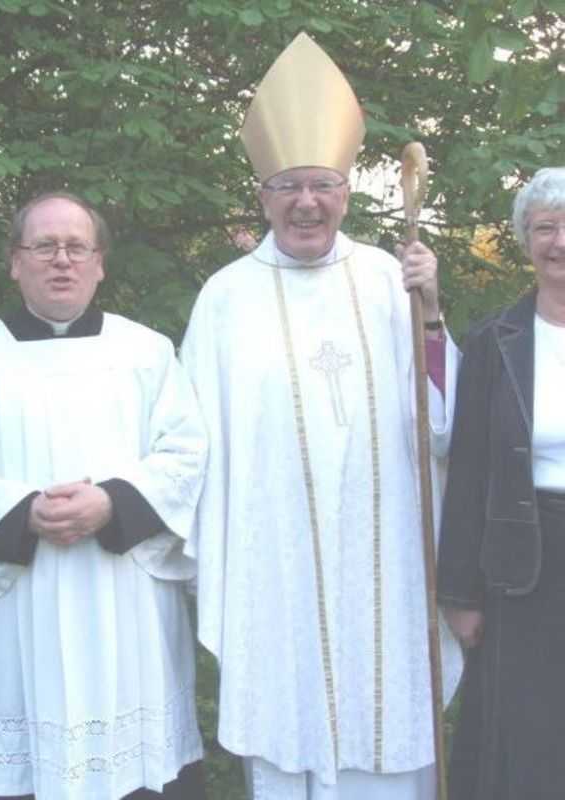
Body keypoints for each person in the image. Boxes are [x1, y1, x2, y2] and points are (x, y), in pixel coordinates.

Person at [180, 33, 462, 799]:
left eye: (323, 184)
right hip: (273, 554)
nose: (307, 202)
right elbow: (192, 440)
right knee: (286, 718)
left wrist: (431, 317)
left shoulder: (387, 279)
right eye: (287, 185)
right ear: (262, 195)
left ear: (345, 191)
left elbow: (440, 426)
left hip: (388, 546)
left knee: (387, 720)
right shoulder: (225, 298)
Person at [0, 192, 208, 800]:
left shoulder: (146, 353)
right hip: (18, 604)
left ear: (100, 262)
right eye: (44, 246)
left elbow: (188, 456)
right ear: (15, 261)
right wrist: (25, 513)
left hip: (127, 601)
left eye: (77, 247)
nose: (61, 260)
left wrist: (113, 504)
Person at [438, 167, 565, 800]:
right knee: (527, 733)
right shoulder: (495, 341)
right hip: (524, 564)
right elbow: (467, 473)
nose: (561, 241)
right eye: (546, 227)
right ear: (526, 240)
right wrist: (460, 592)